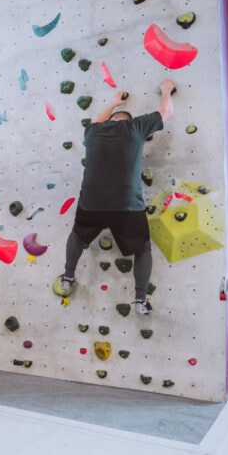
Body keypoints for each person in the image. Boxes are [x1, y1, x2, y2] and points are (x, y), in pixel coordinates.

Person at [55, 79, 176, 316]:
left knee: (78, 235)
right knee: (143, 249)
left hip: (91, 203)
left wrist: (112, 103)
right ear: (130, 122)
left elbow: (95, 121)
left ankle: (68, 277)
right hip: (127, 205)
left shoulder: (92, 132)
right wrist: (166, 90)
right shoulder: (135, 128)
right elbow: (166, 112)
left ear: (110, 121)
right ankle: (141, 300)